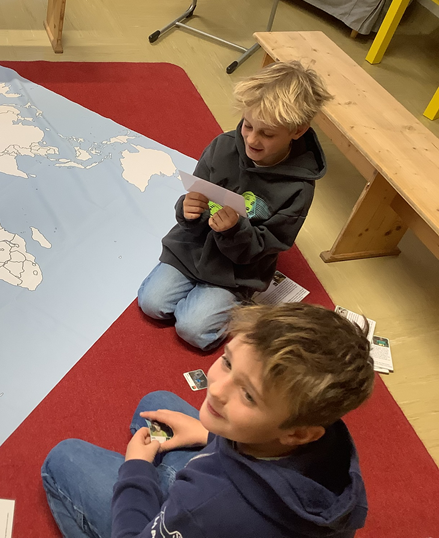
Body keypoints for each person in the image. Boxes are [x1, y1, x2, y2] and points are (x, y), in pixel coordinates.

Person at [42, 303, 374, 538]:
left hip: (214, 510)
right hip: (254, 495)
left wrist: (137, 471)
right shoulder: (329, 441)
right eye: (228, 362)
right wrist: (207, 434)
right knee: (155, 403)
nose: (215, 389)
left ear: (298, 433)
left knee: (63, 459)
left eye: (248, 395)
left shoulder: (206, 506)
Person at [137, 61, 333, 350]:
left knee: (192, 330)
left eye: (267, 134)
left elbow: (271, 242)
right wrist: (187, 210)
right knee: (152, 304)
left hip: (238, 269)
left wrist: (233, 230)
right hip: (191, 248)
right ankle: (205, 300)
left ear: (298, 130)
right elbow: (196, 195)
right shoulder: (224, 146)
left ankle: (234, 302)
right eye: (248, 125)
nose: (252, 139)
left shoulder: (298, 187)